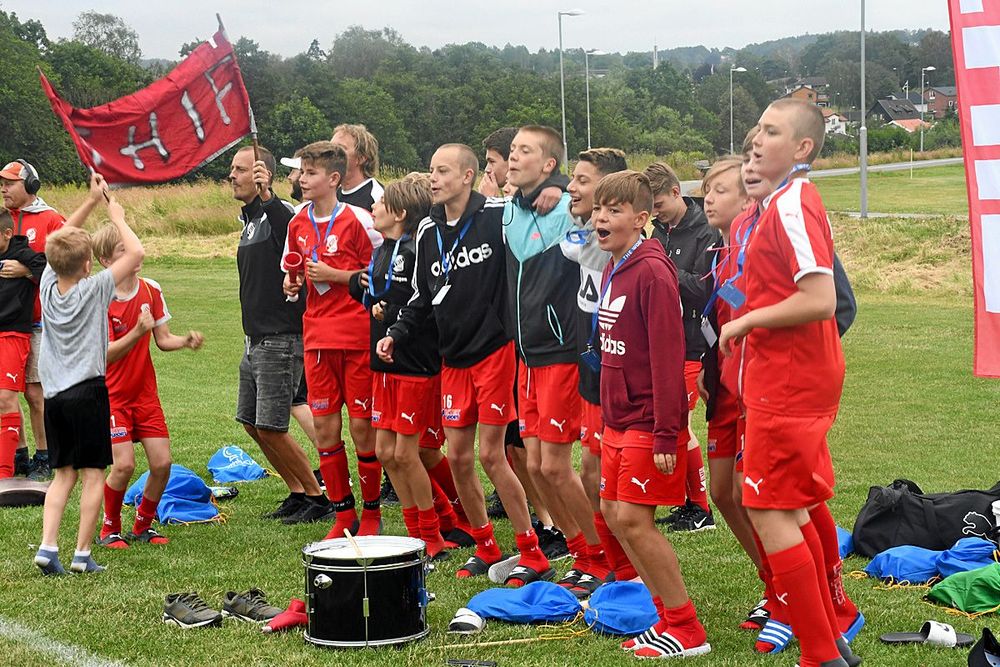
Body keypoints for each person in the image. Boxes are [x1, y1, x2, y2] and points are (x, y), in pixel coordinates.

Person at [719, 98, 860, 667]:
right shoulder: (775, 204)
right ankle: (832, 642)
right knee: (794, 508)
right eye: (757, 129)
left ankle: (820, 654)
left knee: (771, 511)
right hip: (778, 379)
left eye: (771, 132)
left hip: (790, 382)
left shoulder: (795, 202)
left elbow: (822, 298)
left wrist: (749, 320)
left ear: (801, 149)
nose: (756, 140)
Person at [377, 143, 551, 585]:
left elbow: (550, 202)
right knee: (457, 457)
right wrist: (395, 334)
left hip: (493, 351)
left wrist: (559, 187)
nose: (433, 178)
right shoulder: (425, 232)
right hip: (451, 358)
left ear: (469, 175)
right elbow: (420, 297)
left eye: (442, 170)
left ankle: (532, 549)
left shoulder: (497, 216)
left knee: (492, 456)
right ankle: (486, 546)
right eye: (431, 170)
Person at [592, 170, 710, 658]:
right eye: (599, 208)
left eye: (614, 210)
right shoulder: (615, 265)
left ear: (641, 219)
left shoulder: (653, 273)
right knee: (613, 514)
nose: (601, 217)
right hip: (617, 420)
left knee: (636, 522)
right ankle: (665, 618)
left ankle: (686, 628)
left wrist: (668, 434)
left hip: (646, 422)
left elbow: (667, 359)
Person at [504, 126, 608, 594]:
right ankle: (580, 552)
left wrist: (561, 182)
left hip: (562, 353)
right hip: (525, 356)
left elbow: (594, 193)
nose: (512, 157)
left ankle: (601, 557)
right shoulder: (508, 210)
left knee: (554, 467)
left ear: (549, 165)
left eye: (525, 151)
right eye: (511, 150)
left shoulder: (565, 205)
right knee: (536, 466)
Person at [33, 189, 144, 575]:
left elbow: (61, 235)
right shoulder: (95, 288)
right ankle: (82, 553)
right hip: (88, 391)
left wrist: (91, 202)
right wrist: (116, 215)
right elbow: (135, 254)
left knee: (63, 474)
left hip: (54, 396)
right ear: (87, 265)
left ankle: (48, 546)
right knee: (94, 473)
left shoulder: (47, 285)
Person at [347, 178, 453, 559]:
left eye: (381, 204)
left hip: (412, 362)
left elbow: (423, 302)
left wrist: (390, 316)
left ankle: (432, 535)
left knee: (407, 454)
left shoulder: (416, 249)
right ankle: (414, 532)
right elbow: (383, 292)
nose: (373, 208)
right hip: (383, 364)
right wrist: (365, 294)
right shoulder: (385, 248)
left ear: (400, 214)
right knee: (386, 452)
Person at [283, 141, 384, 538]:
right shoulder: (296, 222)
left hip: (357, 337)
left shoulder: (360, 219)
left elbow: (382, 275)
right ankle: (344, 515)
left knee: (362, 430)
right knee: (325, 430)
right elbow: (291, 274)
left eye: (310, 173)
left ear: (333, 179)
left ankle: (372, 513)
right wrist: (292, 284)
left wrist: (336, 276)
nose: (301, 179)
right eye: (301, 172)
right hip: (317, 338)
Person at [230, 145, 330, 524]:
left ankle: (318, 499)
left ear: (261, 175)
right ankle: (298, 491)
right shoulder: (252, 220)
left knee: (272, 426)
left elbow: (287, 226)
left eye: (240, 170)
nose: (232, 176)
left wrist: (268, 194)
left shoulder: (281, 214)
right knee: (252, 423)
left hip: (280, 338)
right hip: (255, 338)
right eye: (232, 170)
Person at [92, 223, 204, 548]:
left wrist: (184, 341)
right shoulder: (100, 298)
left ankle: (142, 526)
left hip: (145, 395)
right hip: (113, 396)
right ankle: (109, 528)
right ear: (104, 261)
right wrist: (136, 333)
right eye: (122, 252)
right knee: (123, 465)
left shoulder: (151, 290)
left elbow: (163, 339)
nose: (133, 256)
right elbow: (105, 355)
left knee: (162, 463)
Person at [696, 155, 770, 629]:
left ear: (747, 199)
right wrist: (708, 365)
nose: (708, 198)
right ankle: (773, 577)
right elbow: (717, 322)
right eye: (706, 189)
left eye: (720, 190)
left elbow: (834, 308)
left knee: (755, 493)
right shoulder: (718, 253)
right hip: (725, 388)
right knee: (722, 491)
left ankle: (783, 587)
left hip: (759, 392)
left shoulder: (758, 246)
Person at [560, 147, 637, 585]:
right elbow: (571, 245)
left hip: (618, 365)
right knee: (592, 470)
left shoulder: (622, 245)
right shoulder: (588, 235)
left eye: (583, 181)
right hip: (592, 360)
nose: (573, 188)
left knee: (604, 473)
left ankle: (622, 565)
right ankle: (608, 560)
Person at [0, 162, 105, 480]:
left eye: (10, 183)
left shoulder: (50, 218)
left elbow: (68, 261)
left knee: (35, 392)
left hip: (40, 320)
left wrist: (26, 270)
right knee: (9, 392)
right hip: (10, 322)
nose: (4, 189)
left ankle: (46, 455)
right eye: (1, 184)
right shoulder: (3, 220)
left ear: (30, 186)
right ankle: (18, 455)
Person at [644, 162, 720, 532]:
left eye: (658, 204)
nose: (654, 213)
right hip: (663, 344)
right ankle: (688, 502)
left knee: (682, 426)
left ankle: (702, 509)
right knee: (674, 424)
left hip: (694, 343)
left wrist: (661, 269)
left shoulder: (706, 228)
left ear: (677, 193)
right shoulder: (658, 230)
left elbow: (706, 289)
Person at [0, 209, 46, 478]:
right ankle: (15, 461)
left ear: (7, 234)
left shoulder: (22, 253)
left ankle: (4, 473)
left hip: (13, 335)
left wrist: (26, 270)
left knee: (7, 399)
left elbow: (50, 270)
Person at [331, 124, 385, 212]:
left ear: (361, 158)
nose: (331, 153)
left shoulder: (378, 197)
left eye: (340, 148)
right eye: (330, 147)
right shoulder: (331, 195)